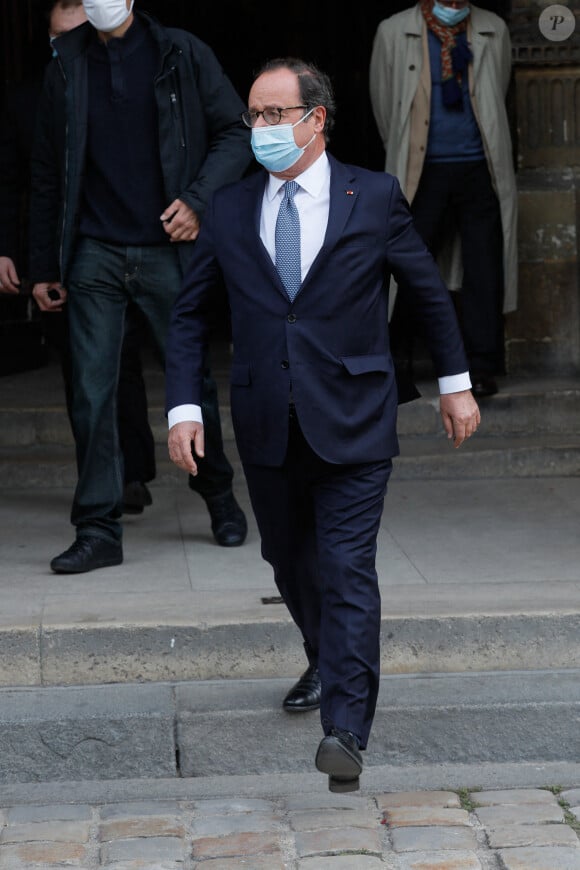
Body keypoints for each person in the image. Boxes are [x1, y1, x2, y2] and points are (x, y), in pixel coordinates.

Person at [165, 57, 480, 792]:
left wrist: (456, 385)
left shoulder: (370, 196)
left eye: (276, 114)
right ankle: (326, 656)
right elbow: (188, 318)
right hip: (268, 418)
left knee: (345, 568)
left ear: (317, 120)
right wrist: (184, 406)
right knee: (288, 560)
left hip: (355, 417)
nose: (263, 129)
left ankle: (345, 728)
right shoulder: (233, 207)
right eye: (255, 116)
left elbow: (428, 294)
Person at [29, 0, 253, 574]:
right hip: (94, 252)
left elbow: (236, 130)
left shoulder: (181, 50)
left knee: (192, 385)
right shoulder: (65, 66)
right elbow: (48, 167)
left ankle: (220, 498)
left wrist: (199, 200)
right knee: (91, 392)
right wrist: (44, 264)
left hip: (167, 248)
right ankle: (98, 527)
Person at [0, 0, 156, 515]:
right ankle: (101, 480)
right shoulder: (27, 99)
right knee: (83, 375)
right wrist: (16, 254)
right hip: (67, 256)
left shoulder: (125, 85)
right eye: (58, 39)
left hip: (125, 247)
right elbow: (17, 183)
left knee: (124, 363)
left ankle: (133, 473)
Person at [369, 0, 518, 398]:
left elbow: (497, 91)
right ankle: (397, 360)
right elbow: (385, 106)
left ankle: (482, 365)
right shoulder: (392, 30)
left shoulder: (493, 29)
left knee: (484, 269)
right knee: (406, 264)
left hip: (479, 167)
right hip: (421, 170)